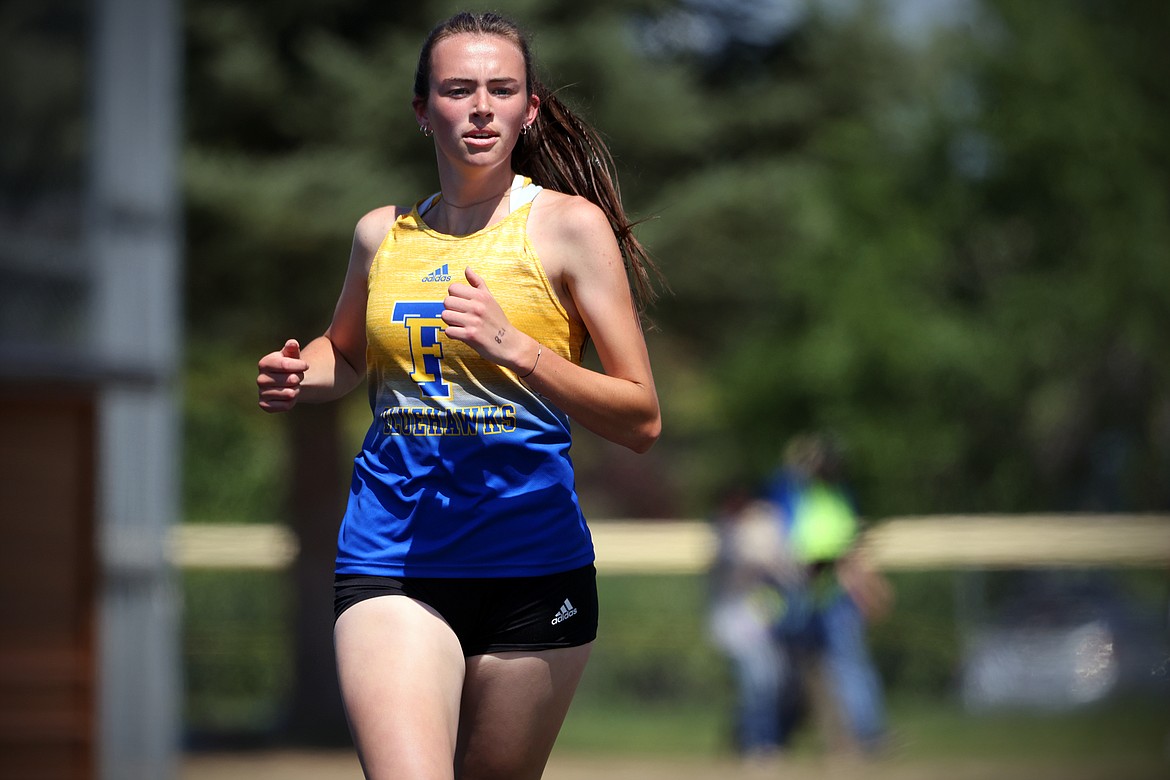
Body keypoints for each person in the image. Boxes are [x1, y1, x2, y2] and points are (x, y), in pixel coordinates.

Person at [255, 11, 661, 780]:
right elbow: (342, 354)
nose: (481, 106)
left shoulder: (571, 229)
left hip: (536, 567)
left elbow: (641, 417)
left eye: (502, 89)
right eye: (458, 89)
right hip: (394, 561)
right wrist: (297, 372)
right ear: (422, 110)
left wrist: (518, 349)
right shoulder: (381, 236)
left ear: (529, 108)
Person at [769, 434, 892, 755]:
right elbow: (783, 487)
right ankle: (791, 738)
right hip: (801, 591)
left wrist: (869, 586)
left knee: (849, 664)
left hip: (835, 590)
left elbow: (849, 549)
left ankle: (867, 737)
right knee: (795, 673)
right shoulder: (795, 492)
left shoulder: (839, 495)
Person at [706, 489, 799, 761]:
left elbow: (784, 570)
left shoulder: (763, 525)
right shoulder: (724, 531)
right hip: (735, 620)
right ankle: (755, 743)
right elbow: (737, 566)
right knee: (757, 682)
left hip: (760, 619)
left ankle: (761, 740)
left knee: (772, 681)